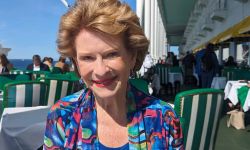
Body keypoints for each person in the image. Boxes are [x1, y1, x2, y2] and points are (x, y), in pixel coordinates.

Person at [43, 0, 183, 149]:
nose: (100, 70)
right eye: (87, 58)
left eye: (111, 54)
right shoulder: (62, 116)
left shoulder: (164, 119)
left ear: (132, 56)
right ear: (76, 63)